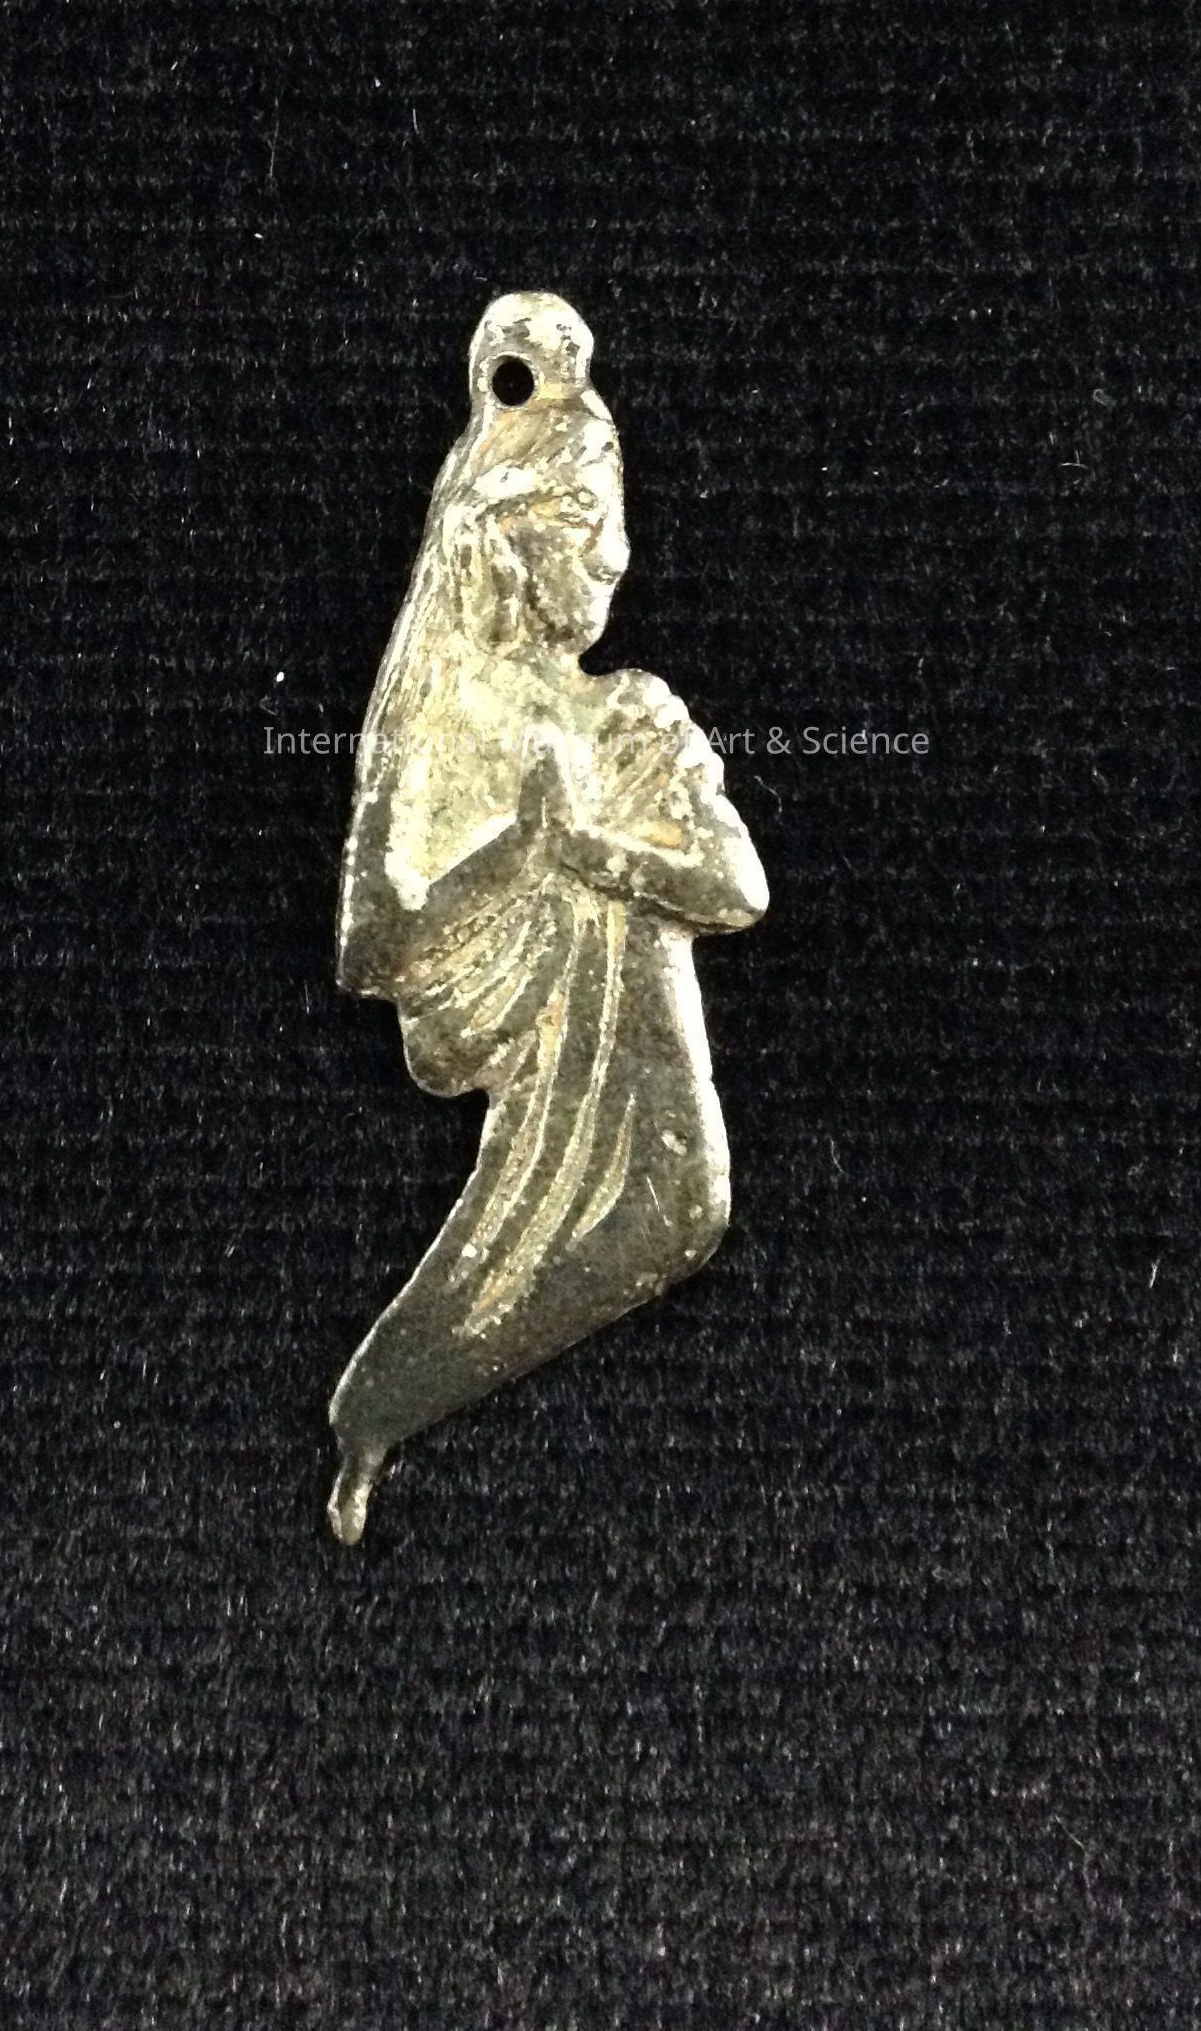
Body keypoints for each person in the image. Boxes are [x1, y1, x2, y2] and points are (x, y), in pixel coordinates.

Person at [328, 293, 768, 1542]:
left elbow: (739, 893)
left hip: (641, 1096)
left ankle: (374, 1418)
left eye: (615, 520)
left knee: (678, 1209)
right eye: (583, 523)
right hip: (525, 1061)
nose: (615, 555)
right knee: (656, 1220)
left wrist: (591, 850)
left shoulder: (630, 714)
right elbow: (368, 948)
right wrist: (520, 846)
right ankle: (374, 1416)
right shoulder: (436, 738)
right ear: (504, 540)